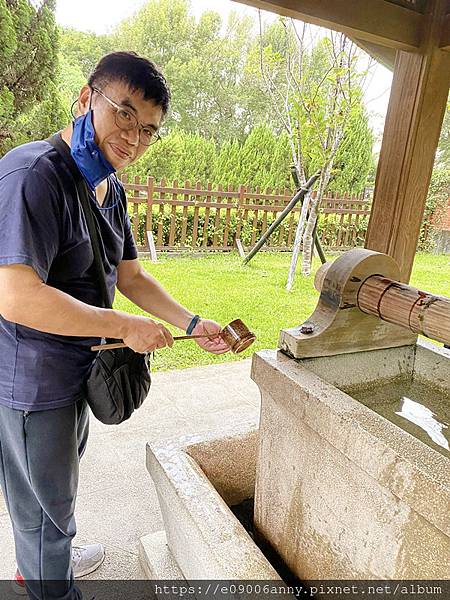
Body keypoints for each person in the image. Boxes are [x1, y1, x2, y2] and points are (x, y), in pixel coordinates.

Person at [0, 51, 230, 600]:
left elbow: (130, 274)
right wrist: (124, 326)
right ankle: (49, 582)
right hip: (33, 382)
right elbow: (16, 295)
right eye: (123, 114)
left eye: (148, 129)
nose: (133, 137)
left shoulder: (109, 186)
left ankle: (51, 557)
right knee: (41, 510)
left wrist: (191, 322)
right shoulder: (34, 175)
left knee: (56, 487)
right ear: (86, 99)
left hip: (81, 369)